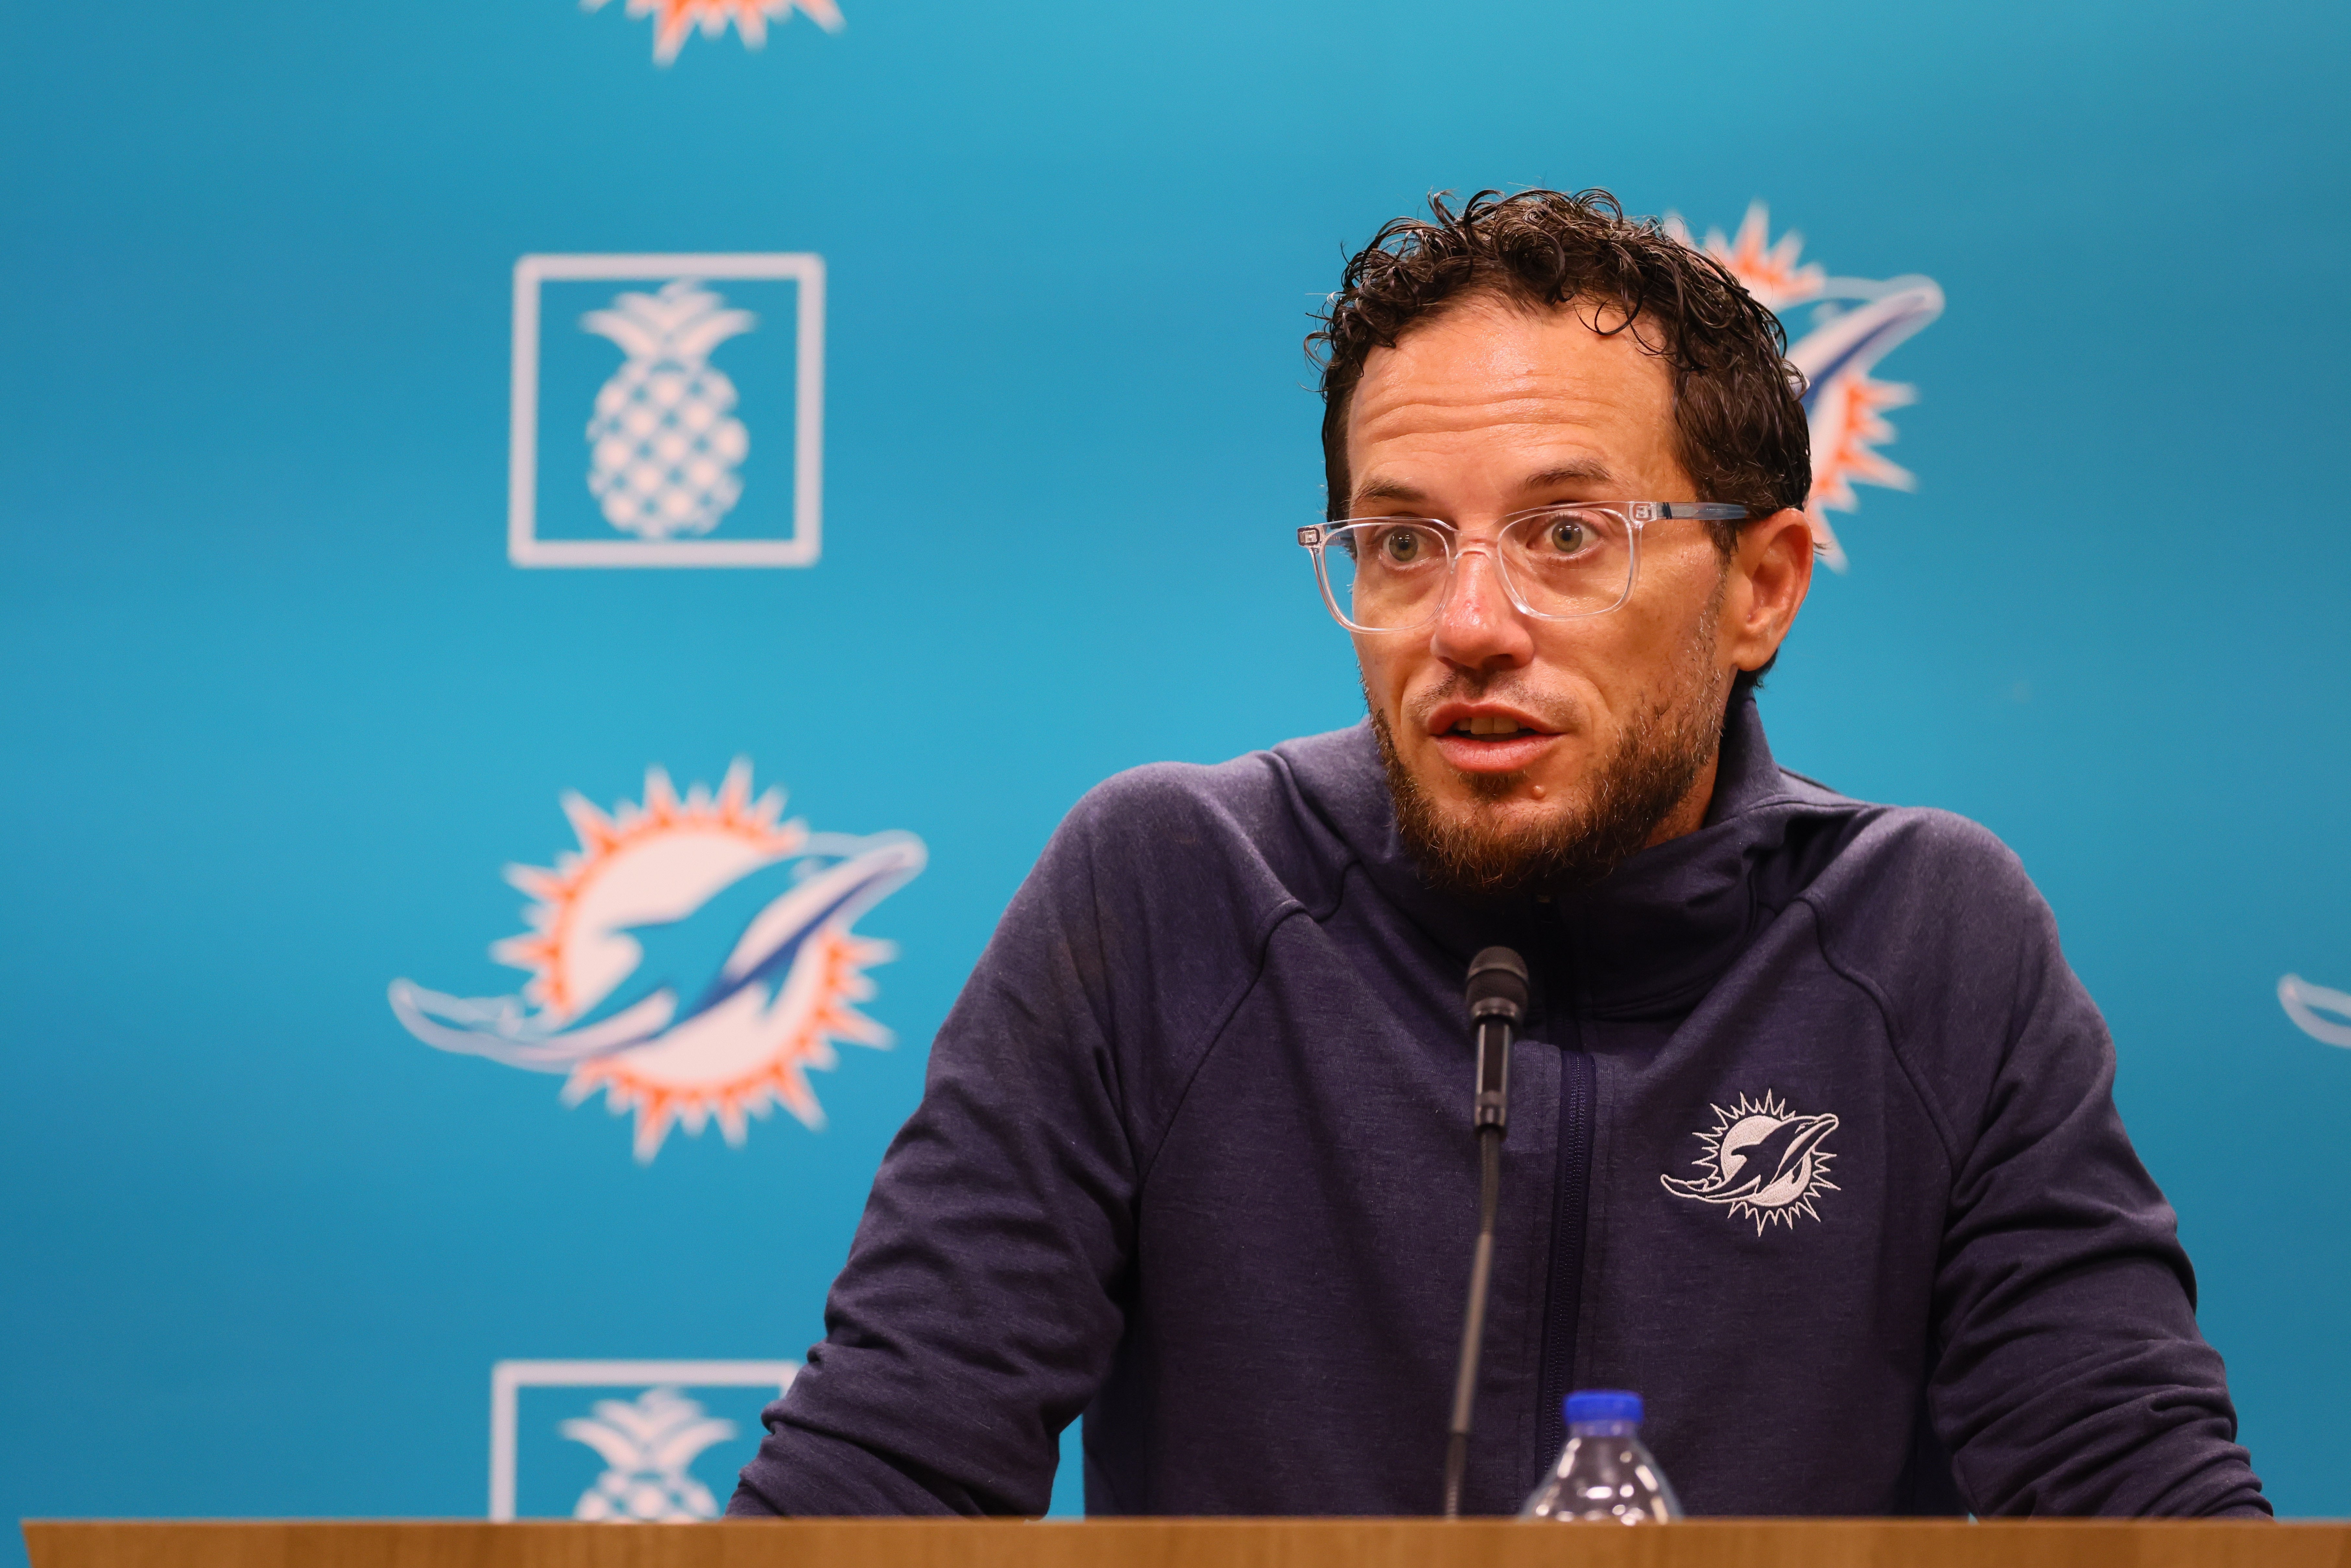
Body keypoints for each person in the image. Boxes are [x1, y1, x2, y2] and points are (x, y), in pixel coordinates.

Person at [727, 189, 2266, 1519]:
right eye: (1403, 544)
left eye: (1567, 535)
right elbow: (884, 1470)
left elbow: (2135, 1494)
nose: (1467, 626)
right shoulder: (1173, 890)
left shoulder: (1925, 936)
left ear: (1762, 588)